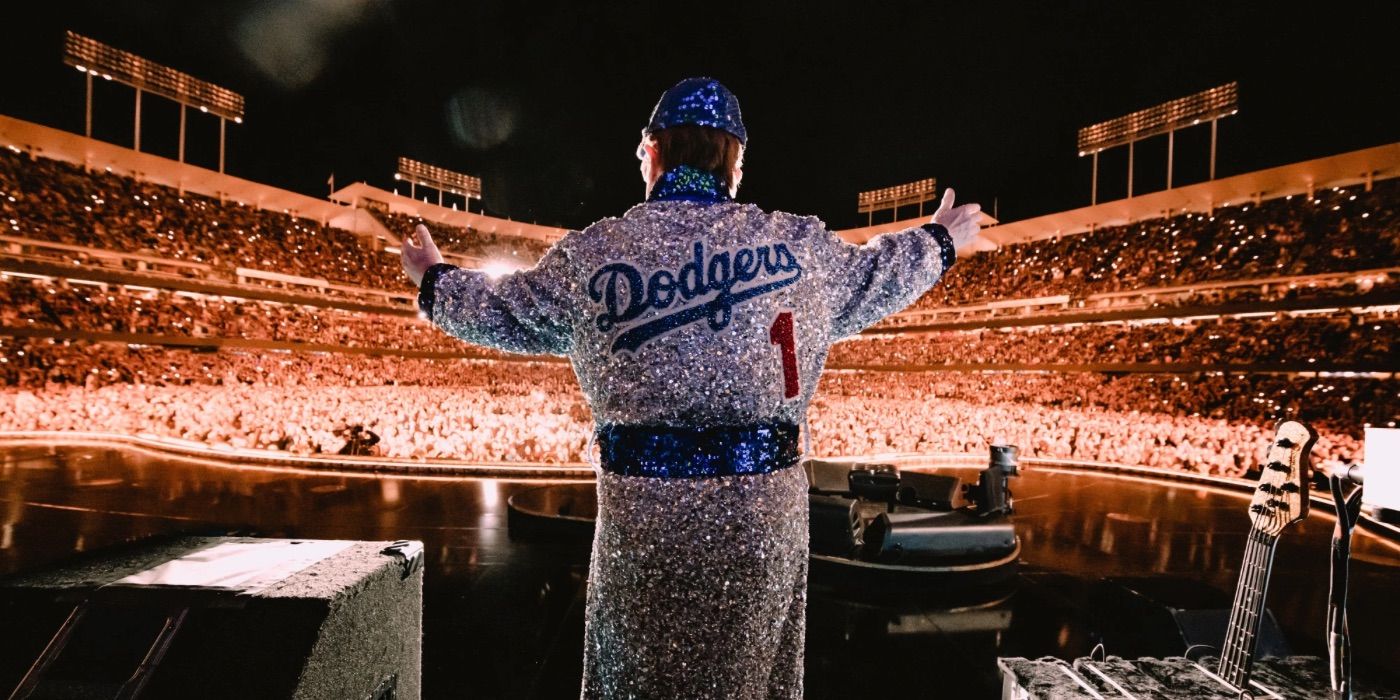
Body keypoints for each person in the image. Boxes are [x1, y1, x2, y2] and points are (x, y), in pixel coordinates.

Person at [401, 77, 982, 699]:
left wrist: (436, 280)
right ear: (736, 164)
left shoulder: (597, 254)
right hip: (764, 518)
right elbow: (878, 273)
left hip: (643, 519)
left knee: (640, 675)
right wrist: (938, 240)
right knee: (749, 675)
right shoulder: (798, 248)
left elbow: (504, 309)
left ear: (651, 152)